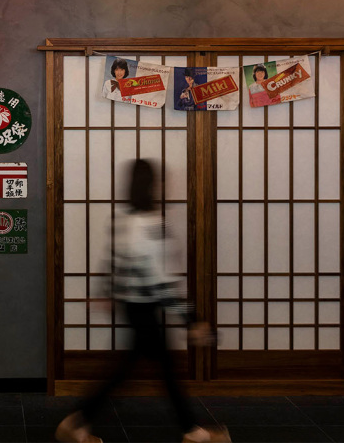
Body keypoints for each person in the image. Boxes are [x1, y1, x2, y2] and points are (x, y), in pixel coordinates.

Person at [55, 159, 229, 443]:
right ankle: (193, 433)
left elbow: (114, 259)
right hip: (146, 306)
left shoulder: (123, 217)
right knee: (153, 370)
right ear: (152, 185)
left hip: (131, 304)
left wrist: (107, 291)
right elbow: (161, 282)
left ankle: (77, 422)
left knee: (137, 368)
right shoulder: (152, 224)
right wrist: (192, 319)